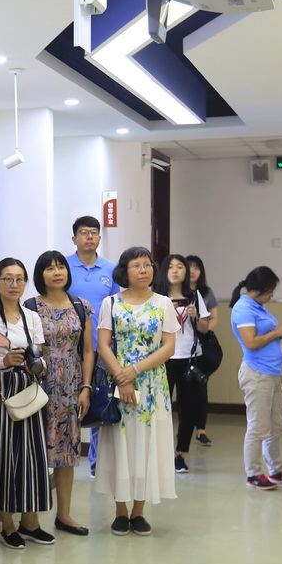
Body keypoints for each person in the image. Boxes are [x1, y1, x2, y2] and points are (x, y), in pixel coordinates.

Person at [94, 247, 178, 536]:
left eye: (147, 264)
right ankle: (120, 510)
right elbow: (103, 346)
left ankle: (139, 511)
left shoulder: (164, 303)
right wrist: (123, 377)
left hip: (152, 385)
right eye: (136, 265)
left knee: (147, 443)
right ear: (124, 271)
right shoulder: (110, 303)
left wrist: (135, 371)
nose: (143, 270)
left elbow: (169, 347)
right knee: (121, 442)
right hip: (120, 382)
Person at [0, 258, 53, 547]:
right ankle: (7, 525)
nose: (14, 285)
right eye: (7, 279)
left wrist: (35, 364)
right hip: (0, 389)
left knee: (32, 455)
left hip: (27, 389)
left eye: (19, 279)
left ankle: (31, 522)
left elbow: (41, 355)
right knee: (4, 456)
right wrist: (5, 362)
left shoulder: (31, 317)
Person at [25, 250, 94, 535]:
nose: (57, 272)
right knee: (34, 451)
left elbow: (87, 351)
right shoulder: (30, 307)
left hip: (71, 387)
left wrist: (86, 387)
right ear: (40, 274)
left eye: (61, 267)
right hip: (39, 385)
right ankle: (29, 519)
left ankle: (64, 515)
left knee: (67, 452)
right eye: (50, 268)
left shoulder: (81, 306)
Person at [229, 266, 282, 491]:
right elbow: (251, 342)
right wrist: (277, 332)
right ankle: (253, 474)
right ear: (259, 289)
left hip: (274, 373)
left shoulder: (259, 306)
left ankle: (276, 470)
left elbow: (265, 336)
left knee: (275, 426)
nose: (272, 295)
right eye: (270, 291)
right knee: (258, 426)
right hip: (257, 374)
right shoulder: (243, 308)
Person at [66, 215, 119, 476]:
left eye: (94, 232)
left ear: (99, 237)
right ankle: (64, 457)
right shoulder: (63, 266)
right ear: (74, 238)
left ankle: (96, 464)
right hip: (67, 348)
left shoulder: (111, 269)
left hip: (101, 348)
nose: (89, 236)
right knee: (67, 403)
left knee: (99, 401)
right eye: (84, 232)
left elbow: (118, 307)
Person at [154, 254, 209, 474]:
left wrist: (196, 317)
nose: (175, 271)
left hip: (190, 359)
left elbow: (205, 328)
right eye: (171, 267)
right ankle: (161, 453)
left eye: (180, 267)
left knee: (189, 409)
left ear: (186, 272)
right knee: (161, 408)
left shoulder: (194, 295)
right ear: (164, 271)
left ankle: (180, 454)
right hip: (163, 358)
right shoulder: (156, 297)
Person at [185, 254, 219, 446]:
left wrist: (203, 329)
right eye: (189, 267)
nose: (192, 271)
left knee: (201, 386)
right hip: (182, 346)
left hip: (202, 344)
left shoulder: (205, 292)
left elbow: (214, 317)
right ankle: (184, 431)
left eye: (196, 267)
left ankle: (201, 430)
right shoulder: (175, 292)